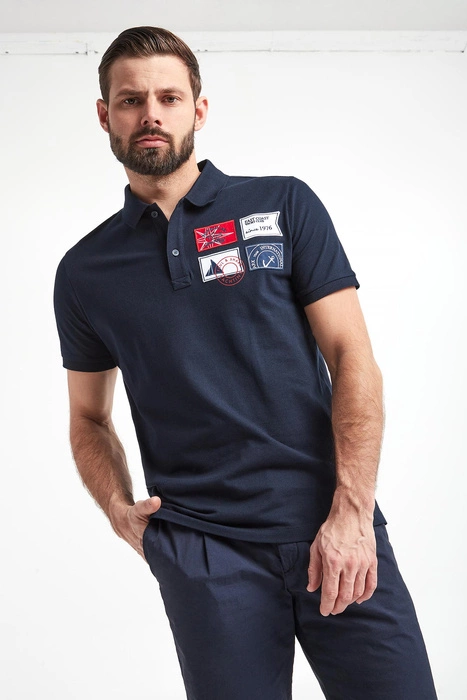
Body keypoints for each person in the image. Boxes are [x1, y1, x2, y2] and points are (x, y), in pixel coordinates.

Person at [53, 26, 437, 700]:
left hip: (332, 524)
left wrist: (352, 513)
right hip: (202, 551)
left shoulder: (282, 204)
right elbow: (88, 417)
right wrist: (117, 508)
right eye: (131, 100)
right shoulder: (85, 271)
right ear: (105, 115)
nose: (150, 114)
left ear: (198, 110)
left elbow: (351, 356)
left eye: (169, 97)